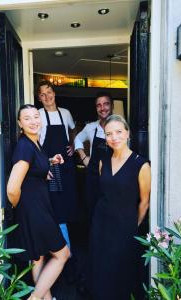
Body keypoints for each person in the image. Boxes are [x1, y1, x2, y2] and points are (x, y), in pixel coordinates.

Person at [7, 104, 70, 300]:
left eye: (36, 116)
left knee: (38, 257)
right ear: (20, 123)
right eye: (27, 118)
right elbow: (12, 188)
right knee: (63, 254)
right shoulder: (25, 146)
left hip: (37, 208)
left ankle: (46, 298)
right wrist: (20, 207)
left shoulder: (34, 143)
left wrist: (49, 163)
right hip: (34, 210)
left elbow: (33, 170)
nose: (33, 121)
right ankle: (35, 298)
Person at [88, 114, 151, 300]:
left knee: (120, 272)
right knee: (100, 270)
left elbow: (144, 201)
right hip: (101, 224)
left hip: (125, 226)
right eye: (109, 134)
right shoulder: (103, 162)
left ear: (128, 133)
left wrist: (132, 225)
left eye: (118, 132)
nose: (114, 137)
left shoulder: (141, 164)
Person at [37, 80, 78, 246]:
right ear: (39, 98)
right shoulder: (38, 114)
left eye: (49, 92)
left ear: (54, 93)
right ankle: (60, 246)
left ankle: (65, 243)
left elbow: (73, 129)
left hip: (66, 165)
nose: (47, 97)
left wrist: (73, 144)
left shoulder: (65, 113)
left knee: (68, 202)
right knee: (54, 205)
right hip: (50, 166)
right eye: (43, 94)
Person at [74, 91, 113, 216]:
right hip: (93, 178)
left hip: (112, 178)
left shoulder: (119, 127)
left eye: (106, 104)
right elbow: (77, 139)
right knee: (92, 212)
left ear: (111, 106)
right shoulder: (91, 127)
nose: (103, 108)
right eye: (99, 105)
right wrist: (84, 157)